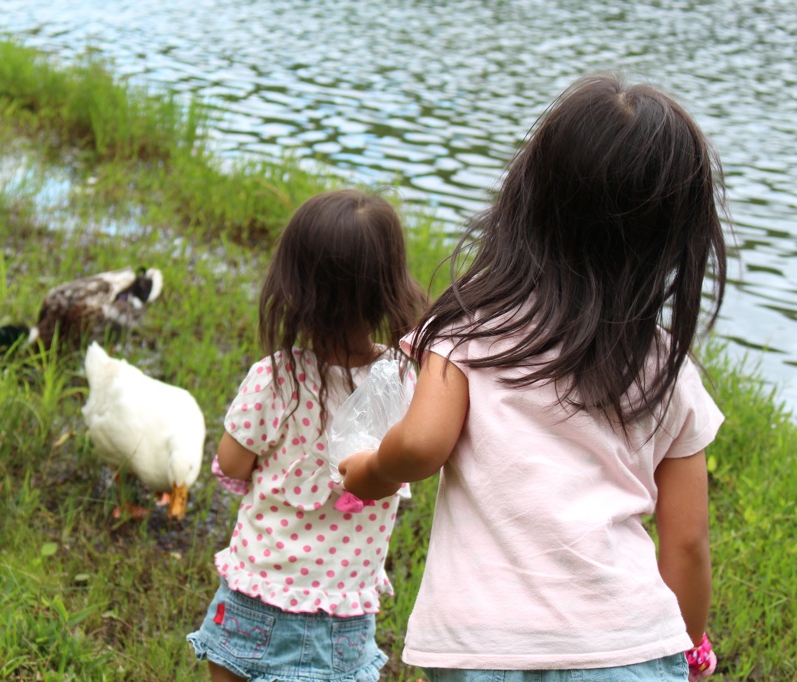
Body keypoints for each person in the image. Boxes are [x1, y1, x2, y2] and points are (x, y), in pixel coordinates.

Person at [339, 74, 728, 682]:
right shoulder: (667, 367)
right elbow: (687, 544)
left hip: (483, 644)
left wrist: (370, 473)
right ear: (674, 239)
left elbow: (419, 445)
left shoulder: (469, 332)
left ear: (530, 198)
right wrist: (691, 645)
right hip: (628, 646)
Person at [187, 189, 427, 681]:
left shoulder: (275, 377)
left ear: (295, 289)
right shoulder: (403, 384)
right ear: (391, 286)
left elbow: (232, 463)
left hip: (255, 591)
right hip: (342, 610)